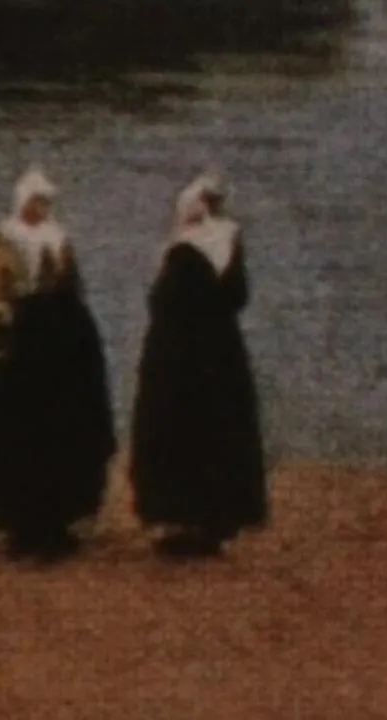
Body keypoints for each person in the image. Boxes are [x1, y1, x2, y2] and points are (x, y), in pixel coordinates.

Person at [0, 166, 117, 561]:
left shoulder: (59, 238)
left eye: (45, 202)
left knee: (62, 428)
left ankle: (58, 518)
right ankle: (18, 521)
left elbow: (73, 286)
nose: (41, 208)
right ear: (22, 201)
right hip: (21, 342)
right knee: (16, 431)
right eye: (36, 201)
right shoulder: (2, 238)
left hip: (61, 344)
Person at [129, 171, 269, 558]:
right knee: (219, 430)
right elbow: (237, 295)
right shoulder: (228, 239)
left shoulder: (176, 246)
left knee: (173, 430)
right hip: (219, 353)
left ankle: (176, 517)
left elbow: (160, 301)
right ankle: (214, 519)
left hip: (172, 357)